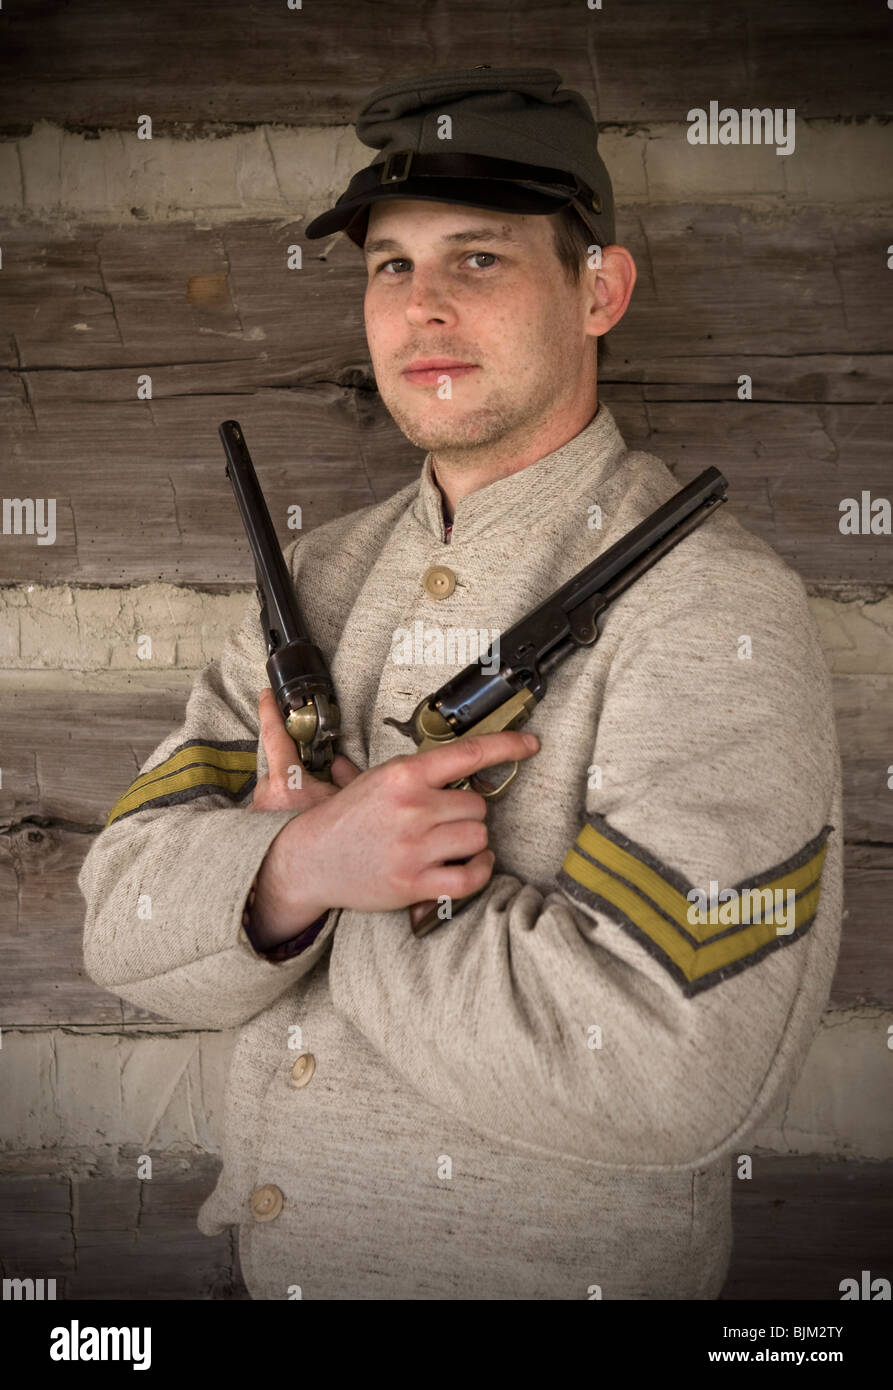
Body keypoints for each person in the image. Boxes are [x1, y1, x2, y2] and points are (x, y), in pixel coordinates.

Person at [79, 66, 842, 1300]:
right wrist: (299, 866)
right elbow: (120, 913)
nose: (421, 307)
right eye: (391, 265)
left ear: (600, 289)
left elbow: (667, 1069)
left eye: (476, 259)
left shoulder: (713, 605)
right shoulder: (313, 580)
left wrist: (352, 897)